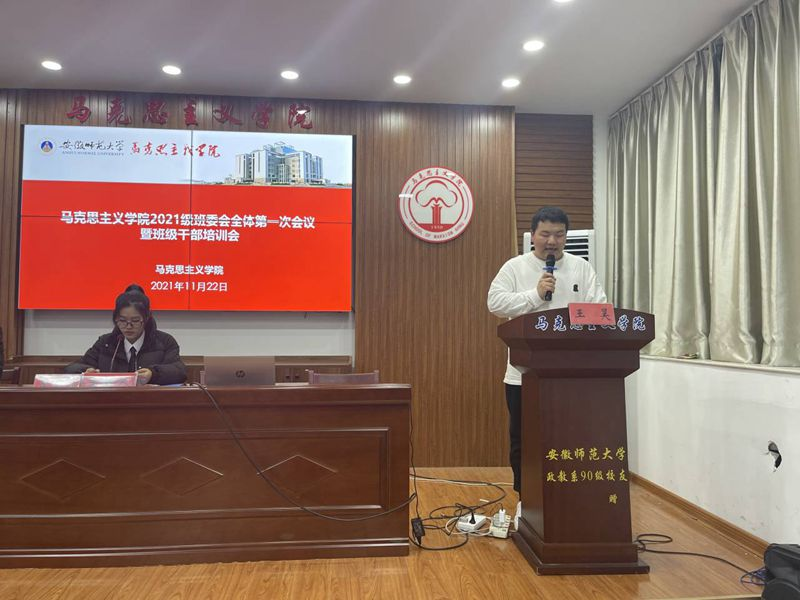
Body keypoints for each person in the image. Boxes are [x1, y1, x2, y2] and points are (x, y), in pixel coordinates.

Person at [487, 206, 607, 494]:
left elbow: (601, 309)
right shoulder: (514, 267)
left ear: (566, 236)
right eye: (545, 234)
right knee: (524, 438)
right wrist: (536, 295)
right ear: (533, 235)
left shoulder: (581, 267)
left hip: (570, 374)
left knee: (569, 437)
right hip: (523, 375)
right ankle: (525, 497)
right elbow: (495, 303)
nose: (552, 241)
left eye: (559, 235)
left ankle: (566, 495)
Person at [65, 284, 186, 385]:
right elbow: (71, 368)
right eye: (122, 321)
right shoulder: (106, 343)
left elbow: (179, 372)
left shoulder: (164, 342)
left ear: (146, 319)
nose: (128, 327)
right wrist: (86, 371)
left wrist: (153, 374)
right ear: (115, 319)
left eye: (135, 321)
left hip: (150, 403)